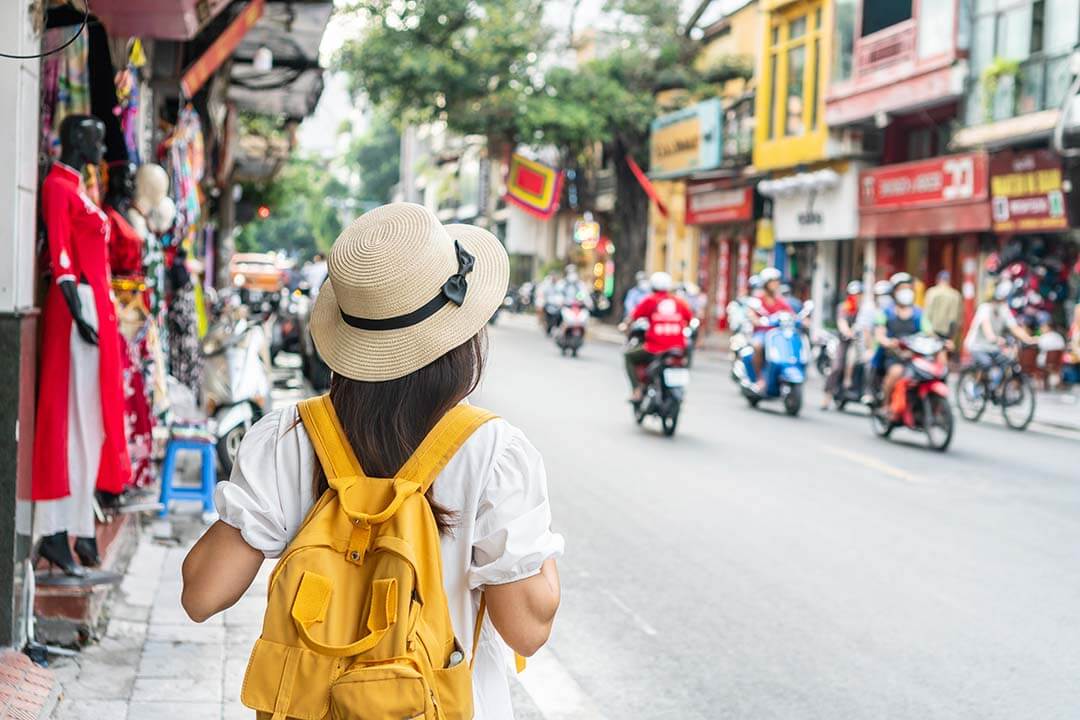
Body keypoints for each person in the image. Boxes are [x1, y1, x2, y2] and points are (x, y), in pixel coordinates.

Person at [181, 203, 564, 718]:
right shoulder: (494, 453)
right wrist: (540, 551)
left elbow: (200, 594)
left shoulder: (288, 437)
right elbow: (528, 630)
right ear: (463, 334)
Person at [624, 271, 694, 401]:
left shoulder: (651, 300)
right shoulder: (678, 302)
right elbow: (690, 319)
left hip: (655, 347)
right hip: (678, 347)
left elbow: (633, 317)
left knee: (628, 356)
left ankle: (637, 390)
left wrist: (625, 326)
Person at [875, 273, 928, 407]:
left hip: (915, 356)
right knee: (896, 372)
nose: (906, 292)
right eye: (902, 288)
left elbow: (929, 332)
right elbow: (880, 334)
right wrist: (888, 342)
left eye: (908, 288)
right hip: (894, 356)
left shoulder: (919, 314)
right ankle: (885, 405)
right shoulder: (887, 313)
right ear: (895, 292)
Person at [964, 280, 1034, 371]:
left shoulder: (1004, 309)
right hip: (978, 346)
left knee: (1009, 361)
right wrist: (995, 339)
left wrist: (1029, 339)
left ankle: (1000, 385)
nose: (1002, 302)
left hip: (993, 348)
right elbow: (987, 329)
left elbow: (1014, 328)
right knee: (987, 365)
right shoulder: (984, 308)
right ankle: (976, 384)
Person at [747, 267, 794, 388]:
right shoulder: (758, 299)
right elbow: (751, 313)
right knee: (757, 346)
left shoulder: (780, 300)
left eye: (777, 281)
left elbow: (790, 313)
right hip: (762, 333)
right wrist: (756, 320)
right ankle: (759, 378)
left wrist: (800, 320)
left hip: (777, 334)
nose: (775, 284)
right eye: (772, 281)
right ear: (765, 283)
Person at [823, 280, 864, 409]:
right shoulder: (844, 307)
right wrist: (848, 332)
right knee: (837, 367)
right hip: (844, 341)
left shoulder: (865, 309)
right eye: (854, 294)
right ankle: (827, 397)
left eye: (859, 294)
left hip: (860, 343)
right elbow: (842, 322)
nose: (857, 297)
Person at [924, 270, 963, 341]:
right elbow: (957, 318)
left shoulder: (932, 292)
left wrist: (928, 331)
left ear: (938, 280)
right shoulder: (956, 295)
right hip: (949, 332)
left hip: (933, 331)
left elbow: (927, 313)